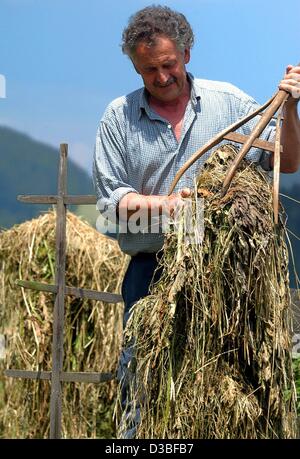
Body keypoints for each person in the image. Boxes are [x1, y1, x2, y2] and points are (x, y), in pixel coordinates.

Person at [93, 6, 300, 438]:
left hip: (232, 274)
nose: (161, 76)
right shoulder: (119, 117)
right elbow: (110, 205)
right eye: (148, 69)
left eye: (168, 64)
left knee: (236, 386)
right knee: (144, 386)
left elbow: (288, 161)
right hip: (153, 271)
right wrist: (170, 206)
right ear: (134, 65)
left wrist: (292, 108)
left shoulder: (230, 103)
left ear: (187, 53)